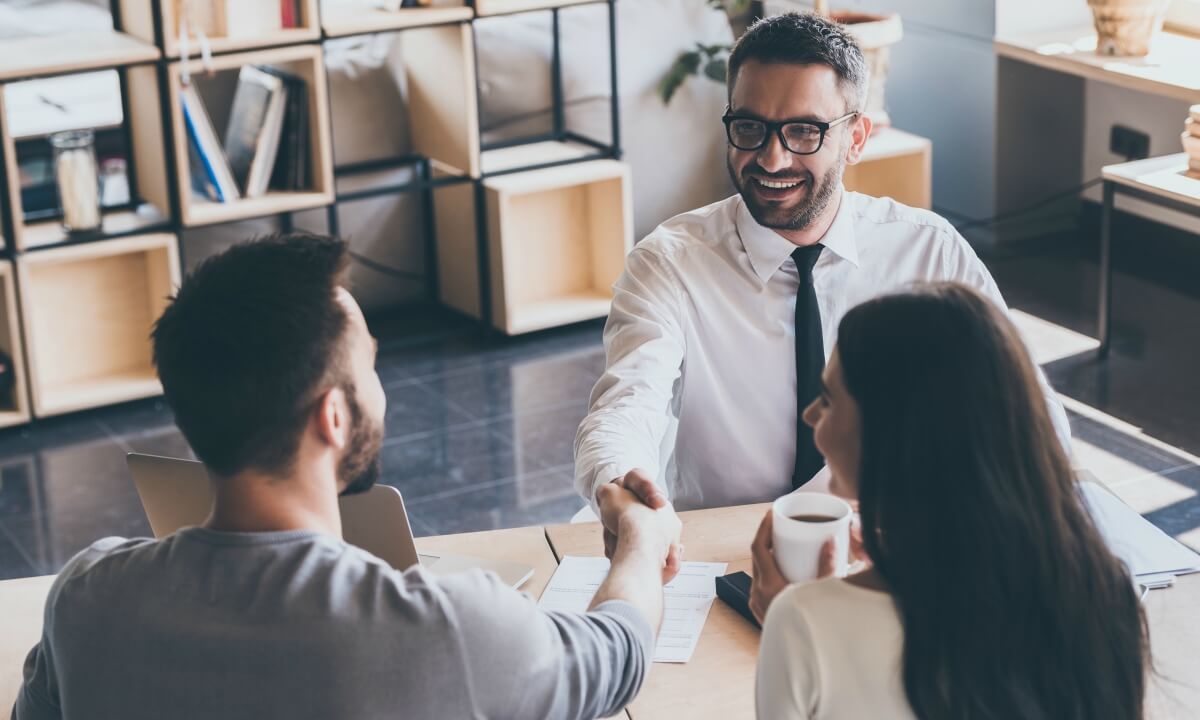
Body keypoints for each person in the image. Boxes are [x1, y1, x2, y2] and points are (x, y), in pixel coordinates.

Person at [13, 234, 682, 720]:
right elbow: (619, 651)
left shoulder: (86, 600)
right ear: (334, 416)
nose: (380, 390)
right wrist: (641, 543)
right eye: (369, 367)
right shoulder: (450, 631)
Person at [574, 12, 1070, 518]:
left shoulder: (928, 251)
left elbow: (1029, 410)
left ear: (855, 139)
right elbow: (625, 404)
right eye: (750, 127)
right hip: (725, 542)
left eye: (804, 132)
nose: (771, 159)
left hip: (890, 537)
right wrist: (618, 482)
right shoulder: (669, 262)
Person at [749, 283, 1147, 720]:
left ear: (892, 436)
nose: (809, 416)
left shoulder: (804, 622)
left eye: (827, 400)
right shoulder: (1106, 596)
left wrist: (794, 628)